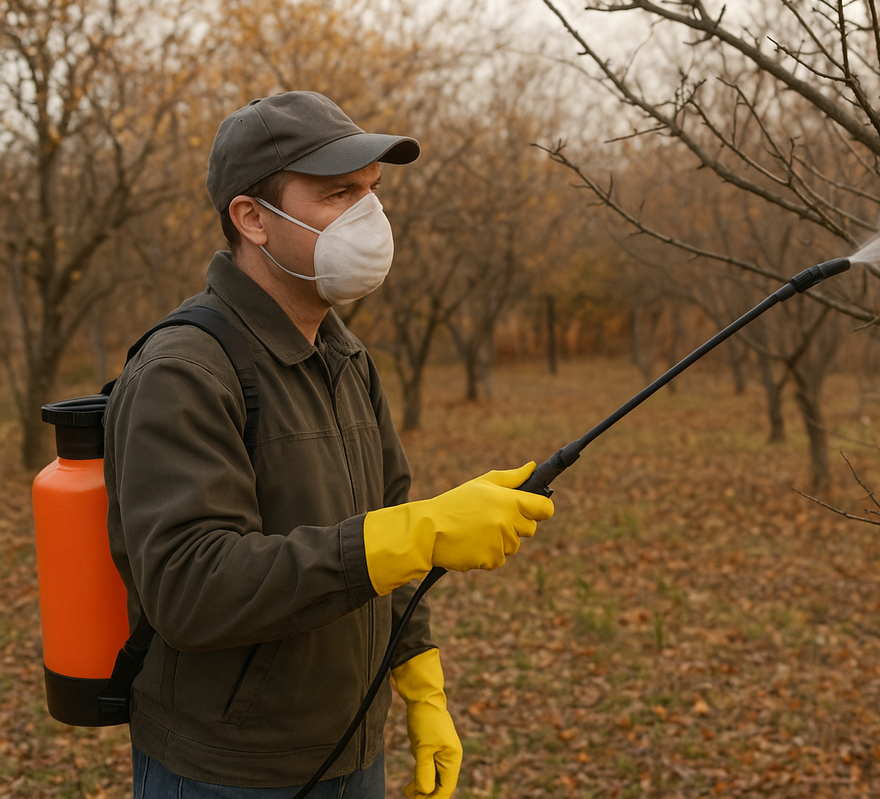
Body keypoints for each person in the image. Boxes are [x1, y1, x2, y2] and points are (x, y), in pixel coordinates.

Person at [103, 91, 554, 798]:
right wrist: (414, 534)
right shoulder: (184, 370)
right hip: (227, 772)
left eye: (370, 192)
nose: (368, 216)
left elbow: (392, 523)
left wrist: (420, 684)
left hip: (352, 749)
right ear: (251, 219)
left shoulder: (346, 356)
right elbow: (190, 588)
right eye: (336, 194)